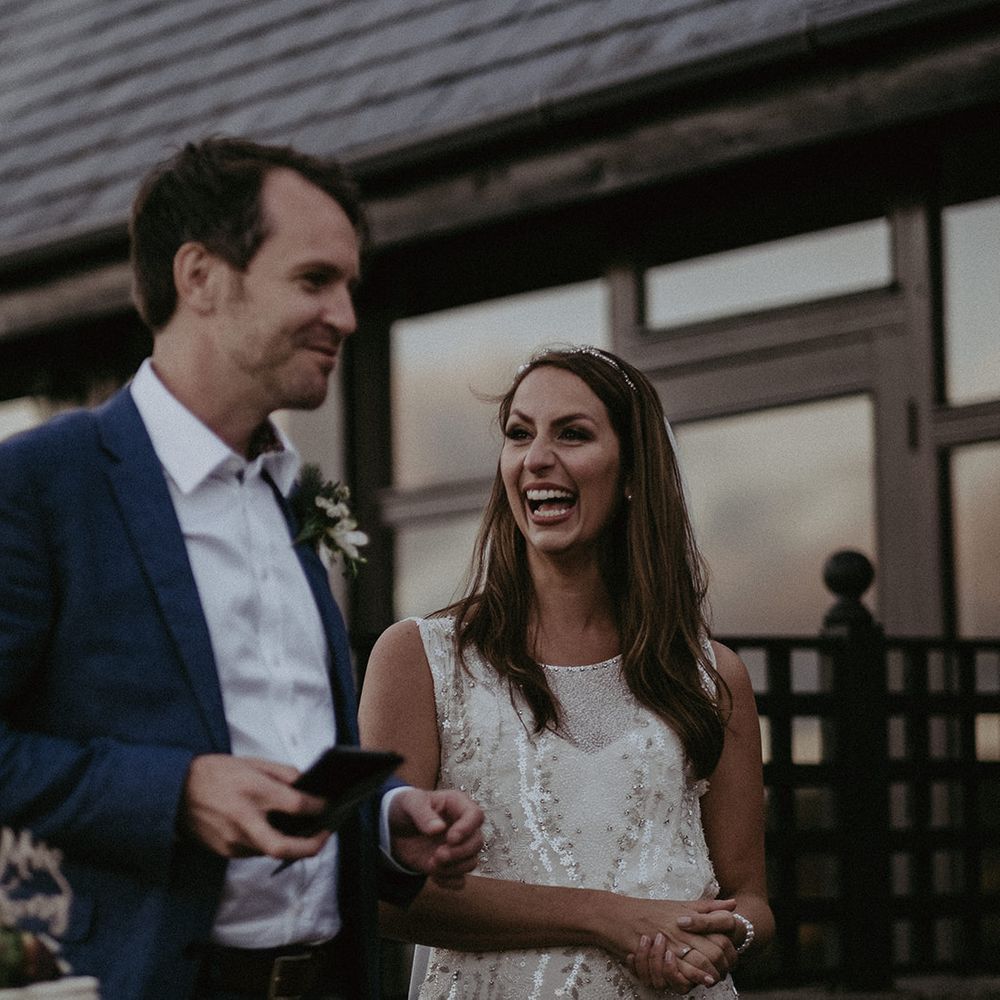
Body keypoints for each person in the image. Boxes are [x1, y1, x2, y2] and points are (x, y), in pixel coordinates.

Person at [0, 137, 484, 1000]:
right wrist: (174, 793)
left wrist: (381, 826)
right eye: (314, 280)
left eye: (348, 286)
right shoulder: (42, 484)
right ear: (201, 278)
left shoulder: (289, 496)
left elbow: (288, 751)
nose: (345, 316)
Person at [359, 345, 774, 998]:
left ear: (633, 471)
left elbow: (750, 896)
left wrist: (722, 941)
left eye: (572, 434)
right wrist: (604, 917)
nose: (536, 459)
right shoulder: (419, 658)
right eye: (519, 434)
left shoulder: (710, 676)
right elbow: (380, 894)